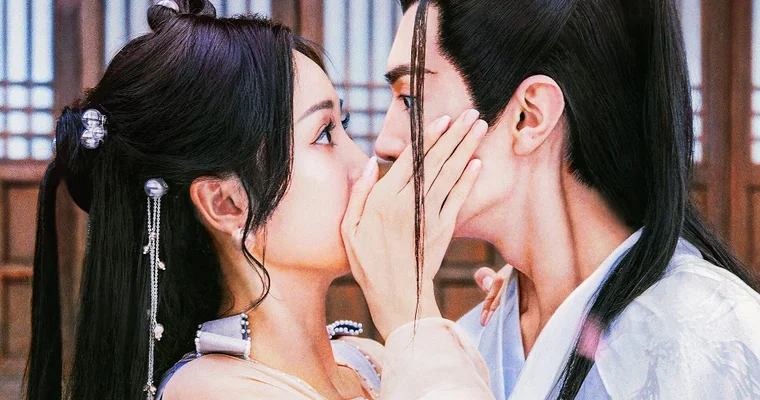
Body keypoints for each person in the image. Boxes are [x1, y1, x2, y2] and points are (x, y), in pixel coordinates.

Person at [23, 1, 487, 399]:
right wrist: (411, 309)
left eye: (343, 125)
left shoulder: (370, 359)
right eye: (324, 134)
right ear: (225, 204)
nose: (365, 162)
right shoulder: (210, 390)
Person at [342, 0, 760, 398]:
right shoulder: (476, 337)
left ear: (530, 117)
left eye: (410, 99)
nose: (384, 143)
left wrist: (409, 316)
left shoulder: (707, 338)